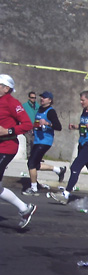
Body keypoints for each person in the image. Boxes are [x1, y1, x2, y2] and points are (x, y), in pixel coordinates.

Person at [50, 90, 88, 206]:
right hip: (83, 142)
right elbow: (85, 125)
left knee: (75, 167)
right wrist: (76, 127)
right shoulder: (85, 111)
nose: (81, 102)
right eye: (80, 100)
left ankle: (66, 194)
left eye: (83, 100)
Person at [0, 74, 36, 228]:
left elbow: (27, 124)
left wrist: (8, 131)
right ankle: (24, 208)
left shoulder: (12, 103)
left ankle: (24, 208)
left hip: (7, 147)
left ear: (6, 88)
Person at [23, 91, 66, 196]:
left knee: (31, 163)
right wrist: (33, 129)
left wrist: (47, 123)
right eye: (41, 97)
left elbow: (58, 127)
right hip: (37, 139)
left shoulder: (51, 111)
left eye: (45, 98)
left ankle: (34, 188)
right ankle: (58, 170)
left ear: (50, 100)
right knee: (35, 164)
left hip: (45, 141)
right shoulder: (39, 109)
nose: (42, 99)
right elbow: (38, 124)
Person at [23, 91, 38, 158]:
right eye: (32, 98)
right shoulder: (24, 106)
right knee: (28, 141)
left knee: (36, 142)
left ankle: (35, 156)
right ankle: (29, 155)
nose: (33, 99)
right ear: (29, 98)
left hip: (35, 127)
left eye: (34, 98)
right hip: (27, 126)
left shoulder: (37, 106)